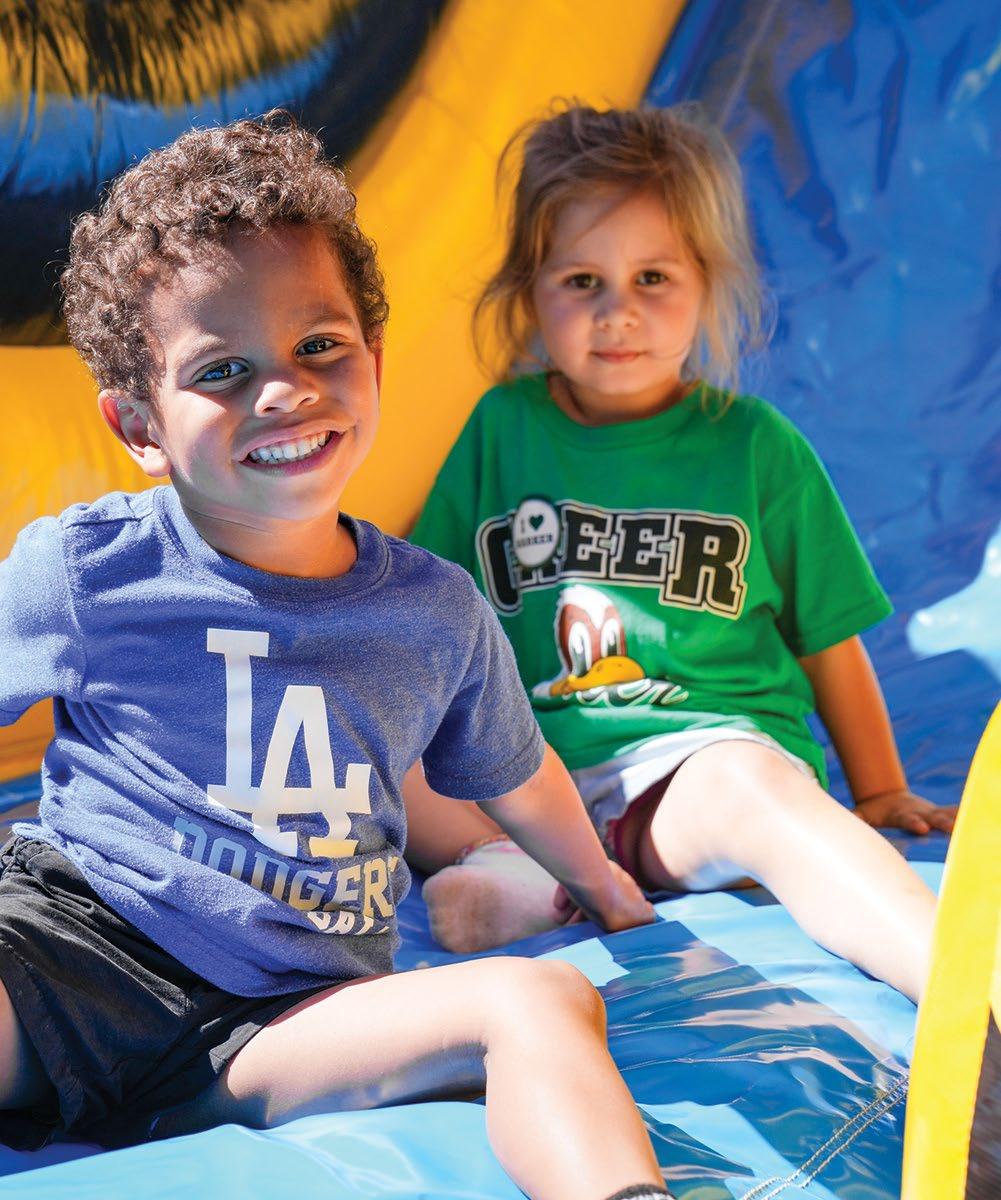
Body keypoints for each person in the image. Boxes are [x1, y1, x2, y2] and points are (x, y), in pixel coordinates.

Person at [0, 112, 671, 1200]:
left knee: (538, 1002)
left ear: (374, 358)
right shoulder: (88, 570)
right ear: (138, 426)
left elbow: (516, 772)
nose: (283, 391)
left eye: (319, 346)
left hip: (290, 1016)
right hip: (76, 954)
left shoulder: (433, 611)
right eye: (222, 370)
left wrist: (604, 887)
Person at [406, 103, 957, 1003]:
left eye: (652, 277)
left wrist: (881, 790)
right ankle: (516, 867)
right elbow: (426, 615)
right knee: (375, 730)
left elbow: (829, 640)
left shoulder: (753, 446)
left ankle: (960, 994)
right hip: (529, 785)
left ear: (707, 283)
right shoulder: (501, 429)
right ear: (530, 292)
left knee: (750, 787)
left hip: (687, 770)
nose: (616, 312)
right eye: (581, 280)